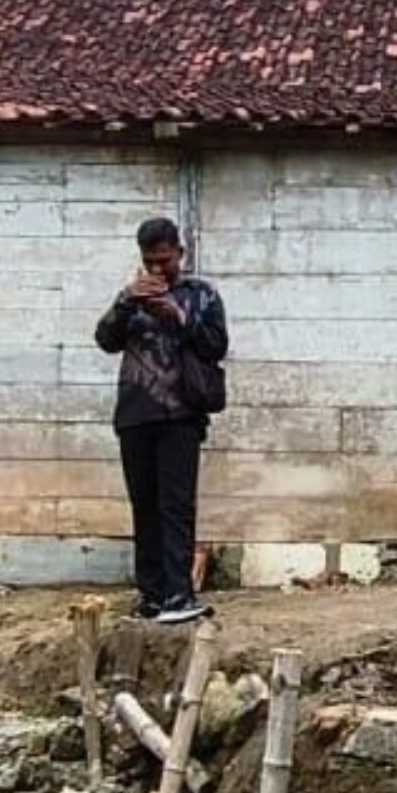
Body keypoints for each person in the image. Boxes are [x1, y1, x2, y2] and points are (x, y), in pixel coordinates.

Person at [94, 216, 229, 624]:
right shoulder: (130, 297)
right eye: (149, 260)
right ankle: (151, 595)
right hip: (135, 415)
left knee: (176, 506)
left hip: (181, 415)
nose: (157, 269)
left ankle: (179, 595)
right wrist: (125, 303)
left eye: (164, 260)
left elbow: (217, 346)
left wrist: (178, 317)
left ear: (180, 254)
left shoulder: (201, 295)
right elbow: (105, 340)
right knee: (145, 506)